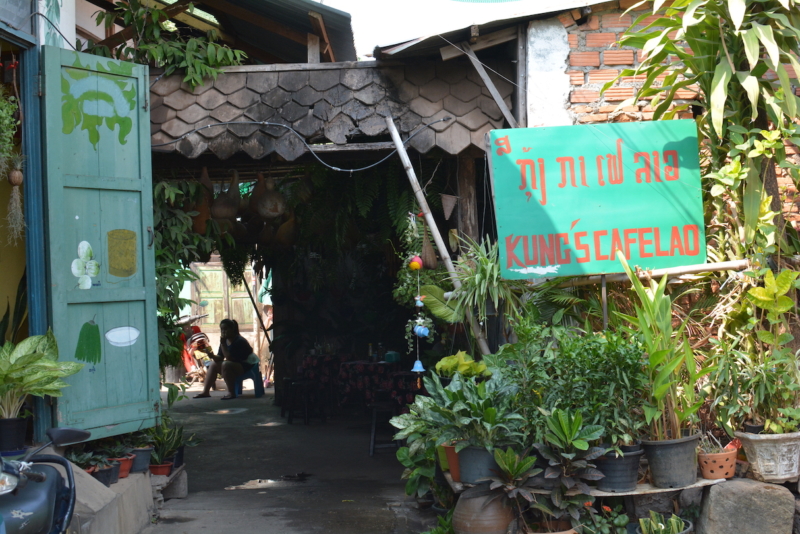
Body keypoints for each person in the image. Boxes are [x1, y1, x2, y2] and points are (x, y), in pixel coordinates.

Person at [193, 318, 255, 400]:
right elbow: (220, 357)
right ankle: (205, 392)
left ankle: (231, 393)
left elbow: (229, 358)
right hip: (233, 365)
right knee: (213, 364)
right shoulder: (225, 341)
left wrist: (223, 344)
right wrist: (212, 356)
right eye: (222, 329)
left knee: (226, 364)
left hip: (245, 366)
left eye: (226, 329)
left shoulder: (239, 341)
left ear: (232, 329)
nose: (223, 331)